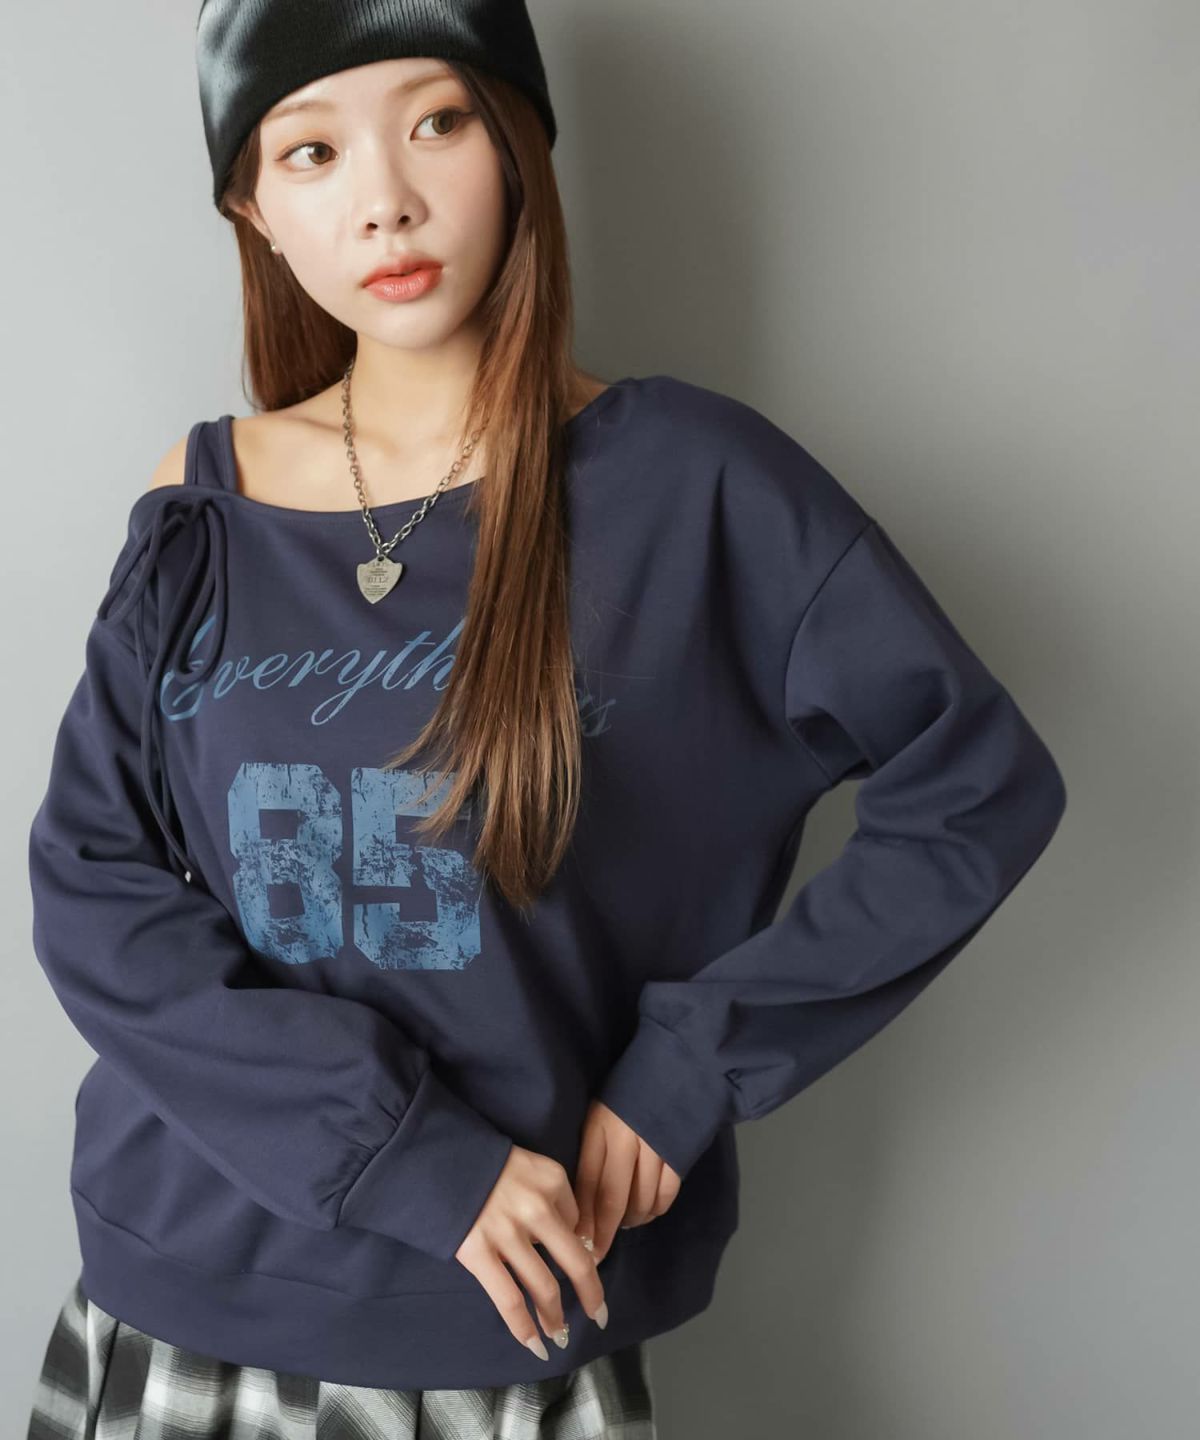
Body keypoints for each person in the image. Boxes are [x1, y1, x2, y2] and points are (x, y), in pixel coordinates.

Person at [25, 1, 1068, 1436]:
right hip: (183, 1281)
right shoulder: (205, 503)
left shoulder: (695, 487)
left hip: (504, 1318)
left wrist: (694, 1061)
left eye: (437, 121)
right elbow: (93, 882)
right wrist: (403, 1154)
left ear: (516, 145)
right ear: (256, 210)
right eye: (313, 152)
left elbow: (978, 783)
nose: (386, 199)